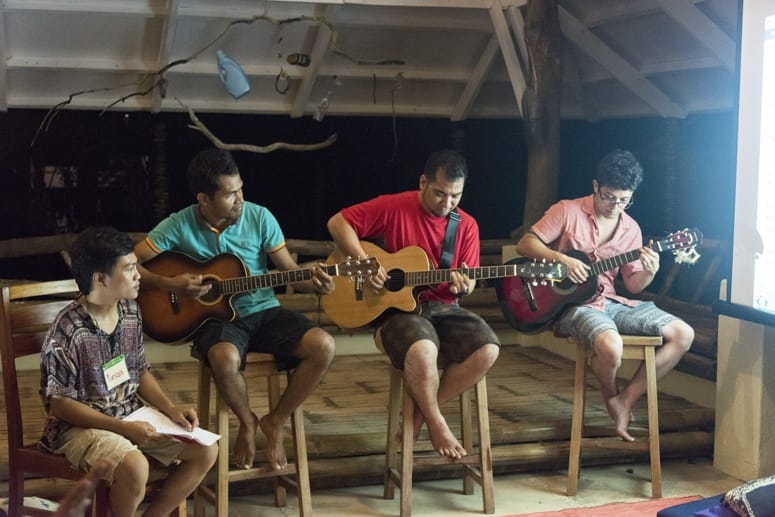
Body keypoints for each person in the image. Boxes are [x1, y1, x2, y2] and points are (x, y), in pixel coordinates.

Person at [133, 148, 336, 471]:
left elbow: (288, 270)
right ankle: (248, 421)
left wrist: (317, 283)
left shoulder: (260, 216)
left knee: (323, 345)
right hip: (219, 320)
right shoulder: (178, 224)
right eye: (230, 194)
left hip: (265, 312)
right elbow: (132, 263)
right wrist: (170, 285)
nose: (240, 198)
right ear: (204, 198)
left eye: (241, 188)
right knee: (224, 359)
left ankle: (275, 421)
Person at [327, 149, 500, 459]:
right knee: (423, 349)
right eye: (439, 193)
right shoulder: (394, 206)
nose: (447, 203)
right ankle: (438, 424)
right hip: (397, 311)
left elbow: (468, 279)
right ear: (423, 182)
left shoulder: (466, 226)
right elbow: (338, 223)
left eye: (455, 196)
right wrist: (366, 262)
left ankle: (418, 419)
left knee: (488, 349)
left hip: (444, 308)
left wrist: (467, 284)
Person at [515, 149, 694, 442]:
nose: (616, 206)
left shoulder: (631, 229)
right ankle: (610, 395)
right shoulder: (567, 210)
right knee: (611, 347)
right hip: (572, 305)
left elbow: (633, 286)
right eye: (610, 197)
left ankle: (625, 399)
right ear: (596, 186)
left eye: (625, 199)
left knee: (683, 334)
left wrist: (650, 271)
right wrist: (561, 260)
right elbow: (525, 244)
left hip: (612, 301)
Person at [39, 226, 217, 517]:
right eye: (130, 268)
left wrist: (170, 409)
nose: (138, 275)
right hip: (79, 428)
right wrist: (122, 429)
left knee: (205, 450)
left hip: (130, 414)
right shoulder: (68, 329)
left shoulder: (130, 311)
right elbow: (61, 405)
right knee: (135, 465)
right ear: (100, 279)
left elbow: (139, 371)